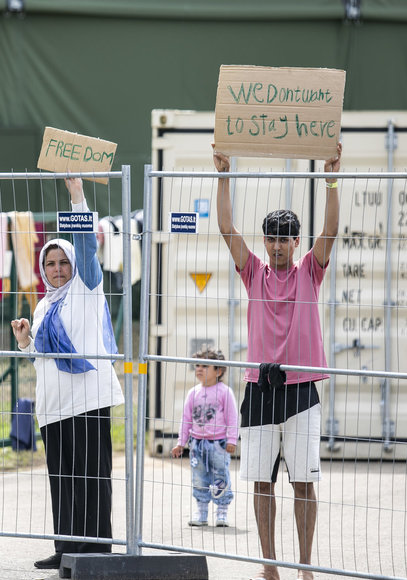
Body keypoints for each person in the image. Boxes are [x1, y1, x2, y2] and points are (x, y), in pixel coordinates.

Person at [214, 141, 341, 580]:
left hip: (302, 391)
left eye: (285, 238)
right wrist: (224, 175)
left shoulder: (310, 270)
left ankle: (304, 566)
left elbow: (331, 231)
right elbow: (227, 227)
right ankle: (269, 565)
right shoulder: (253, 271)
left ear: (296, 241)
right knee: (261, 481)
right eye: (271, 238)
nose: (277, 245)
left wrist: (330, 181)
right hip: (260, 390)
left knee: (304, 482)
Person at [10, 178, 124, 570]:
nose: (57, 270)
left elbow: (88, 244)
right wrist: (26, 342)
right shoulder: (43, 306)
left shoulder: (86, 288)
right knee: (62, 479)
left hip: (88, 401)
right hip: (55, 408)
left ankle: (97, 552)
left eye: (63, 263)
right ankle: (66, 549)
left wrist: (77, 196)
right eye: (50, 264)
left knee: (93, 476)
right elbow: (42, 357)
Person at [171, 345, 238, 528]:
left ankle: (222, 512)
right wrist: (181, 443)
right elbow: (186, 419)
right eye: (198, 365)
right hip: (197, 445)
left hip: (218, 444)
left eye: (205, 366)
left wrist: (232, 440)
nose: (199, 369)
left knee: (220, 477)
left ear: (219, 371)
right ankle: (201, 512)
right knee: (199, 478)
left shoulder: (225, 392)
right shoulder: (193, 393)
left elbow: (232, 418)